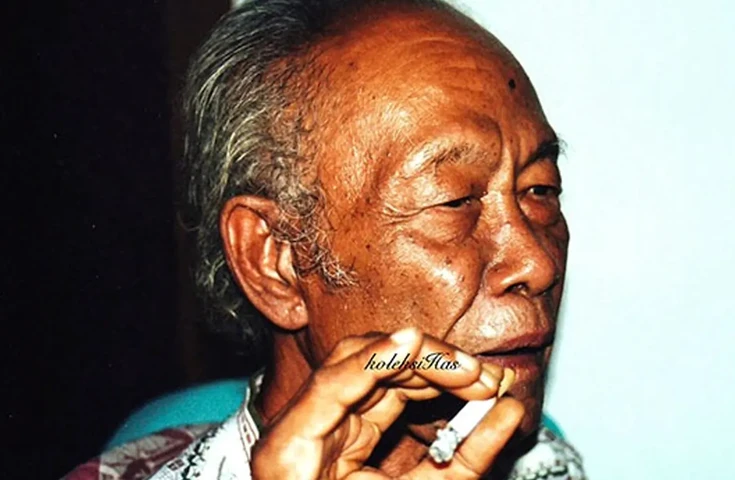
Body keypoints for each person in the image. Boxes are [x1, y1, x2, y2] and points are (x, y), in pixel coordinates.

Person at [65, 0, 585, 478]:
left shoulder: (544, 460)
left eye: (541, 190)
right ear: (276, 260)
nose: (537, 262)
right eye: (452, 200)